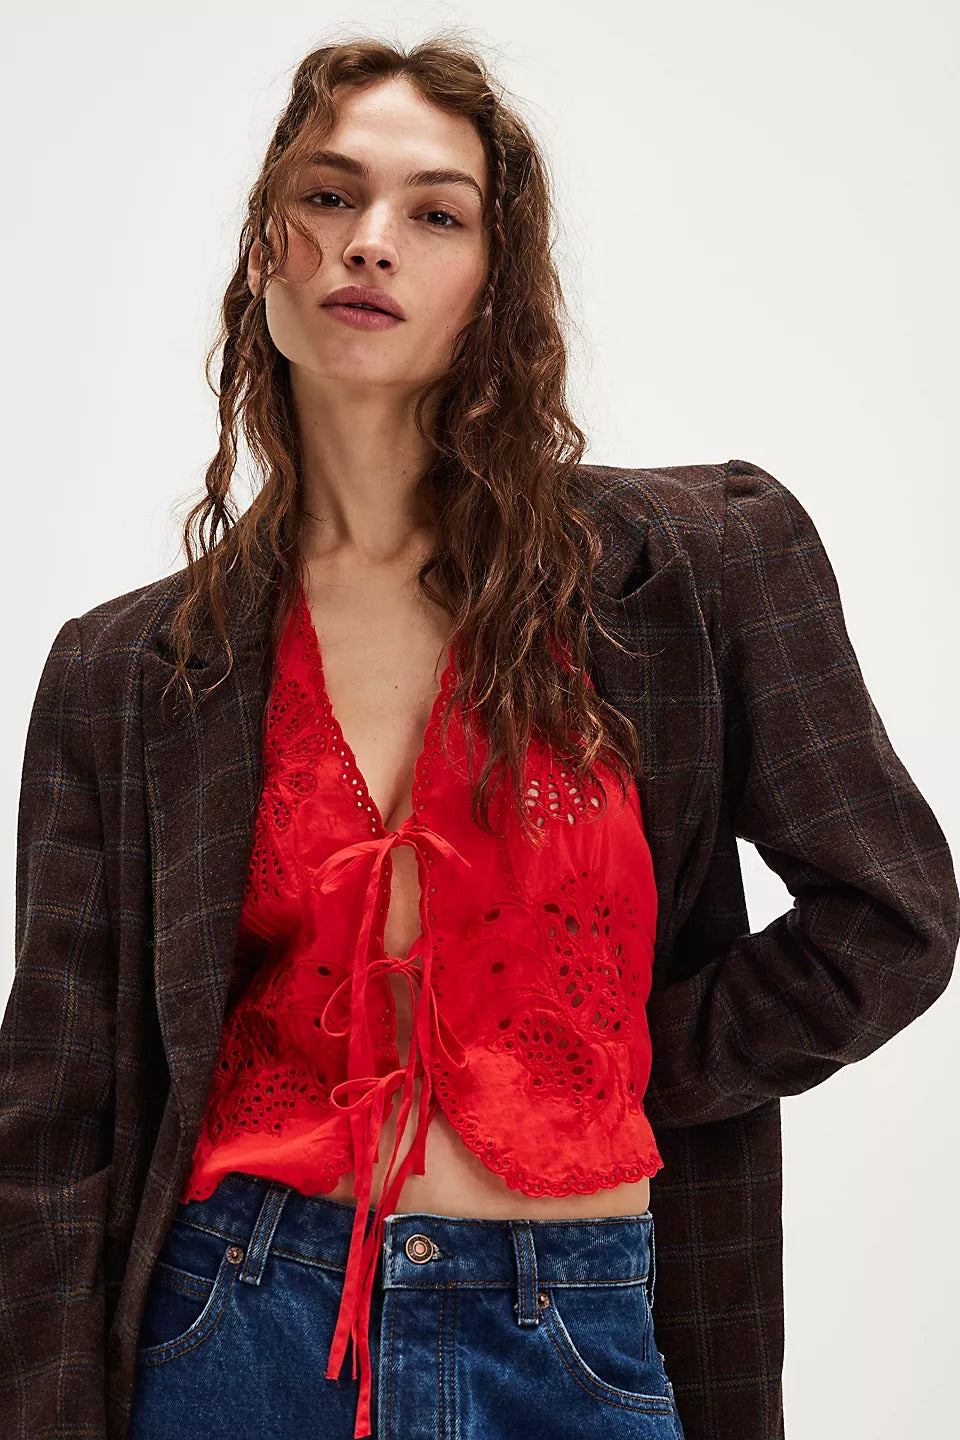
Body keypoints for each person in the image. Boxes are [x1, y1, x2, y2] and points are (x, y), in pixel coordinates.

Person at [1, 32, 957, 1440]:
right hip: (234, 1324)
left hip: (573, 1330)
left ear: (495, 286)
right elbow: (56, 1113)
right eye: (329, 196)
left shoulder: (701, 565)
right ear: (264, 249)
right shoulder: (128, 669)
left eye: (436, 213)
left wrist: (623, 1067)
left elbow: (893, 914)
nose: (370, 240)